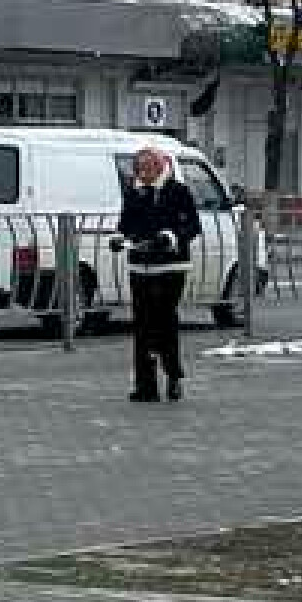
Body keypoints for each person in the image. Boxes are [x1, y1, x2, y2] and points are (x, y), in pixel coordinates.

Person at [115, 142, 200, 405]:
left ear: (160, 167)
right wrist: (120, 239)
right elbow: (125, 225)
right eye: (139, 169)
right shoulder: (134, 193)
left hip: (171, 267)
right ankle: (145, 386)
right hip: (140, 267)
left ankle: (173, 375)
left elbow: (193, 226)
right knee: (142, 325)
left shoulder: (178, 191)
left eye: (147, 168)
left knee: (164, 321)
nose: (143, 174)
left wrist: (172, 237)